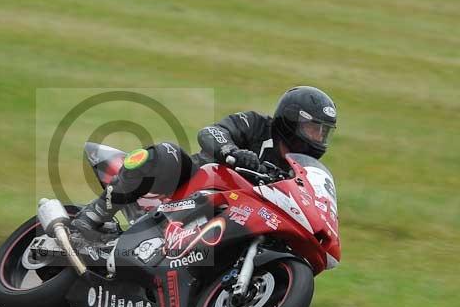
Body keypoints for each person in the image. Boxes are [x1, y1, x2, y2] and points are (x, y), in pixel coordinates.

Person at [71, 86, 337, 240]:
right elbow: (211, 132)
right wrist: (231, 152)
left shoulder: (299, 168)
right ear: (291, 121)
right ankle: (93, 215)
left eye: (324, 132)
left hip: (234, 214)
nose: (319, 138)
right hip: (192, 187)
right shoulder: (256, 124)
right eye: (314, 129)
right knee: (165, 153)